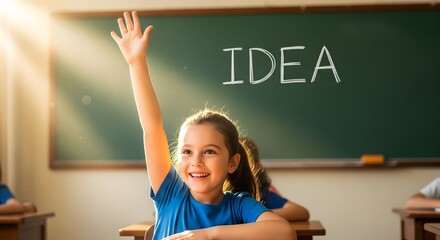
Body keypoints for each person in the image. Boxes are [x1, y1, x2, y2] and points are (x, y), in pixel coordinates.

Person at [111, 11, 296, 240]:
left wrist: (207, 235)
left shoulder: (239, 205)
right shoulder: (170, 193)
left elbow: (284, 232)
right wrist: (136, 63)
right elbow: (152, 127)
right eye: (187, 152)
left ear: (232, 162)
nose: (196, 161)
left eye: (209, 151)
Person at [242, 137, 310, 221]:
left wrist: (258, 214)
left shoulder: (262, 193)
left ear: (256, 167)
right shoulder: (224, 196)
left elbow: (302, 212)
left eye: (243, 163)